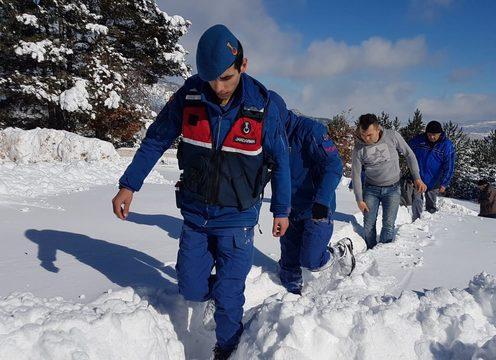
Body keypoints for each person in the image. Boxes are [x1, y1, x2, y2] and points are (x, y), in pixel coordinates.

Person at [111, 24, 292, 360]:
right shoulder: (190, 95)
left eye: (226, 77)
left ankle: (227, 347)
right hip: (195, 213)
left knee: (229, 294)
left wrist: (281, 210)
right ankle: (214, 297)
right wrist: (128, 184)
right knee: (191, 287)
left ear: (243, 65)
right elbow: (156, 138)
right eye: (210, 78)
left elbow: (280, 161)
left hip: (237, 217)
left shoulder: (263, 106)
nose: (218, 87)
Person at [279, 115, 355, 295]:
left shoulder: (310, 130)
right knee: (289, 269)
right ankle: (292, 298)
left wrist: (322, 201)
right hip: (290, 207)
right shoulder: (270, 135)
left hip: (316, 207)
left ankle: (339, 250)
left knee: (311, 260)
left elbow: (334, 165)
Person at [351, 114, 426, 250]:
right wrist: (359, 199)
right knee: (368, 225)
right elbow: (355, 174)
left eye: (369, 135)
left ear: (378, 129)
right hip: (371, 189)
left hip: (393, 189)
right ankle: (370, 249)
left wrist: (417, 177)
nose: (365, 138)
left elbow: (409, 154)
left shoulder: (392, 136)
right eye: (362, 134)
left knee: (388, 224)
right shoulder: (359, 148)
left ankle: (382, 252)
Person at [409, 120, 456, 220]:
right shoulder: (419, 140)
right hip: (419, 178)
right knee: (417, 200)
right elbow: (407, 150)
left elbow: (449, 166)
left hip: (434, 179)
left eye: (434, 135)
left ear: (440, 134)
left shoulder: (446, 145)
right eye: (429, 134)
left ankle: (431, 222)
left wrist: (444, 183)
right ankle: (416, 221)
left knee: (431, 203)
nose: (431, 137)